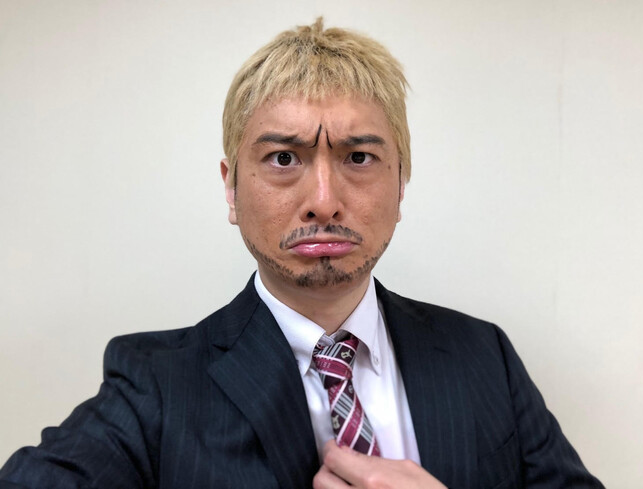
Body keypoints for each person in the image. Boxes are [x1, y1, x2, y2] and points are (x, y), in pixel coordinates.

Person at [0, 18, 603, 489]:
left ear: (401, 184)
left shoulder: (484, 356)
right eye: (283, 158)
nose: (323, 201)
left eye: (359, 157)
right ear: (231, 190)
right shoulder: (153, 385)